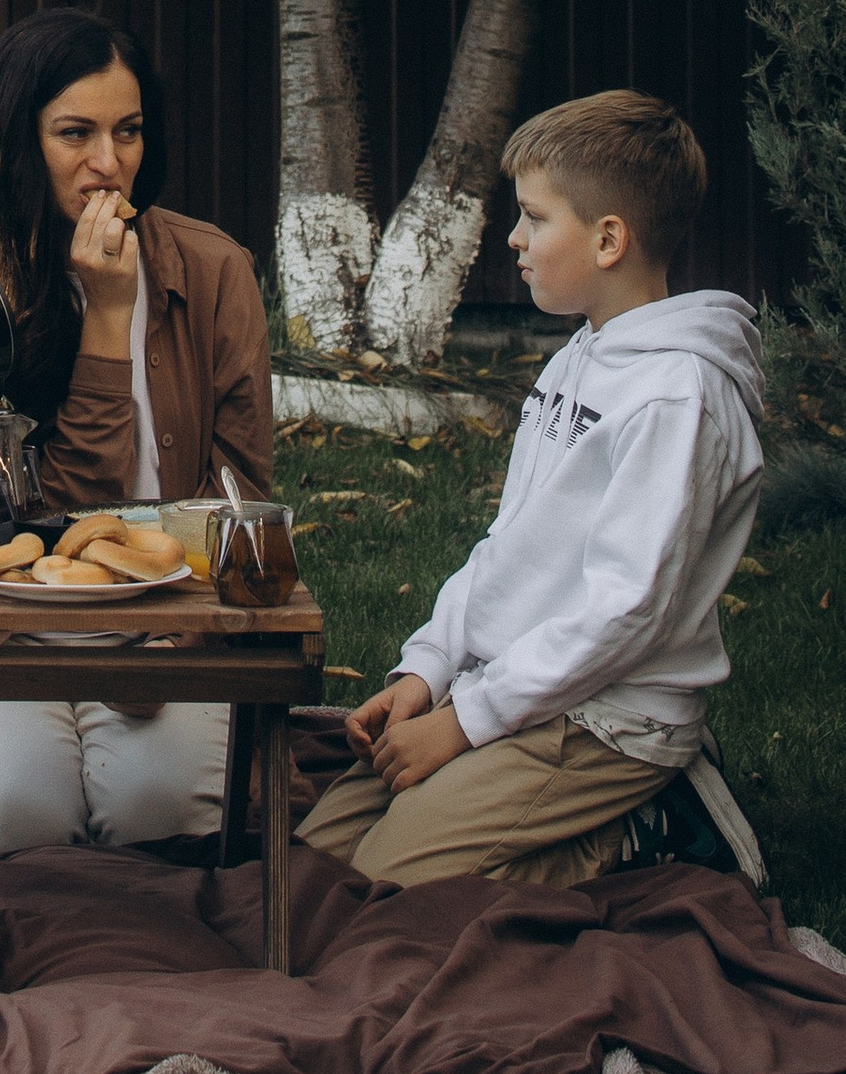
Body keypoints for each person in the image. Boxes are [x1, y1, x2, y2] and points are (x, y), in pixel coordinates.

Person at [298, 87, 763, 890]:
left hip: (608, 721)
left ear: (610, 238)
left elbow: (627, 610)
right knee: (312, 859)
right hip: (518, 690)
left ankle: (644, 831)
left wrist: (465, 727)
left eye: (535, 219)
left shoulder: (674, 399)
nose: (513, 238)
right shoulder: (575, 361)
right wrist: (429, 672)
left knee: (387, 892)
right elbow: (507, 546)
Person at [0, 6, 273, 850]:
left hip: (168, 611)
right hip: (8, 616)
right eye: (75, 134)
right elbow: (41, 523)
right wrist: (106, 320)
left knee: (159, 816)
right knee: (16, 819)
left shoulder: (213, 270)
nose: (109, 164)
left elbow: (246, 495)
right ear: (22, 140)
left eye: (129, 132)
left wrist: (184, 627)